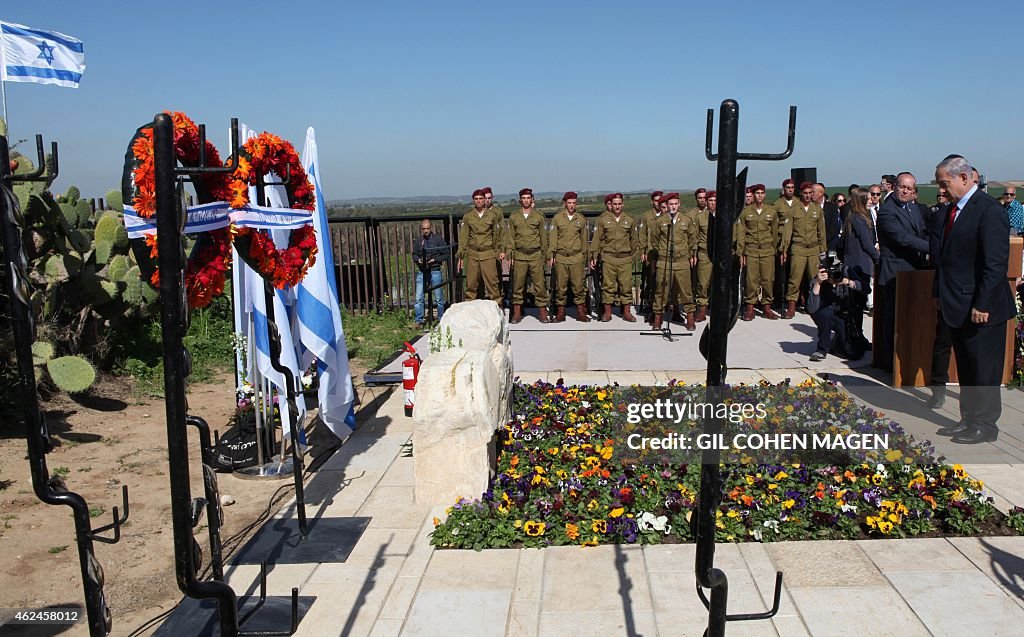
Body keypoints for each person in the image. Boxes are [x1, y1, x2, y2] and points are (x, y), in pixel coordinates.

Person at [933, 155, 1015, 444]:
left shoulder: (988, 211)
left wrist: (983, 303)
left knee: (984, 369)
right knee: (966, 367)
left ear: (964, 178)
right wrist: (939, 295)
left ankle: (985, 425)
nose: (940, 190)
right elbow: (944, 259)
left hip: (983, 307)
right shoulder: (950, 211)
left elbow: (995, 264)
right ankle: (967, 419)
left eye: (944, 183)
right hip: (956, 303)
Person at [874, 172, 930, 370]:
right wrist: (933, 248)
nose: (905, 191)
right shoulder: (887, 211)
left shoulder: (912, 208)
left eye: (909, 188)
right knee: (894, 318)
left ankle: (906, 359)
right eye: (902, 187)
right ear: (894, 186)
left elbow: (921, 231)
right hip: (895, 272)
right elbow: (904, 238)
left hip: (914, 270)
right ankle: (889, 362)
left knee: (909, 319)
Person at [807, 257, 870, 362]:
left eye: (836, 271)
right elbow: (811, 309)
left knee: (855, 354)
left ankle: (838, 343)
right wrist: (818, 283)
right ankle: (822, 349)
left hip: (844, 316)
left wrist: (847, 282)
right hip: (829, 315)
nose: (833, 275)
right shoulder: (818, 280)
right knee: (824, 314)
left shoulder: (846, 272)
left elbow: (867, 289)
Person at [779, 182, 827, 318]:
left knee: (814, 278)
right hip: (798, 248)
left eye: (810, 193)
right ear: (800, 193)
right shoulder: (793, 210)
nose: (807, 196)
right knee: (795, 278)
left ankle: (814, 304)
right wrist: (784, 249)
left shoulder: (817, 210)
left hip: (813, 249)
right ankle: (791, 306)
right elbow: (788, 231)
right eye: (805, 193)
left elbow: (821, 232)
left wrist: (823, 250)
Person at [650, 193, 698, 330]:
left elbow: (692, 239)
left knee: (686, 291)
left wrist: (690, 253)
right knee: (661, 291)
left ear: (679, 204)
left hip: (682, 261)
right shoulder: (660, 221)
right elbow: (654, 240)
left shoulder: (686, 220)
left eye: (676, 204)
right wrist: (662, 252)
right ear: (667, 205)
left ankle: (690, 318)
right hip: (664, 261)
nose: (673, 207)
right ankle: (658, 319)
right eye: (671, 204)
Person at [590, 193, 638, 322]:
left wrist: (630, 255)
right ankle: (607, 312)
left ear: (622, 204)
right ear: (611, 205)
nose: (617, 206)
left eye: (619, 204)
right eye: (614, 204)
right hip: (609, 257)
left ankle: (627, 312)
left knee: (626, 286)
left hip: (624, 258)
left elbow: (634, 240)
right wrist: (594, 255)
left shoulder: (630, 220)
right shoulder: (603, 220)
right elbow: (597, 239)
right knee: (608, 286)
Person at [735, 183, 780, 320]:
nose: (759, 195)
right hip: (751, 250)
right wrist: (740, 252)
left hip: (767, 250)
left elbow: (775, 233)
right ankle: (750, 308)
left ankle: (766, 306)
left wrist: (775, 249)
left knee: (767, 280)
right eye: (757, 193)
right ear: (753, 195)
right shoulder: (745, 212)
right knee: (751, 280)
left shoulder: (771, 212)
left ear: (765, 195)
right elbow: (741, 233)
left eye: (762, 193)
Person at [840, 187, 878, 340]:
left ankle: (857, 335)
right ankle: (856, 336)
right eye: (868, 198)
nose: (871, 200)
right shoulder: (859, 218)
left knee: (857, 303)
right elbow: (866, 243)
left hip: (855, 262)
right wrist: (878, 258)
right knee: (856, 303)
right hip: (859, 264)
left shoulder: (855, 217)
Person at [506, 188, 549, 323]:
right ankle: (517, 313)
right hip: (519, 255)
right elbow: (511, 238)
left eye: (528, 198)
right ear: (520, 200)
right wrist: (509, 255)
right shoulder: (514, 217)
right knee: (518, 285)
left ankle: (542, 313)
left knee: (539, 285)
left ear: (532, 200)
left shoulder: (538, 217)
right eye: (523, 198)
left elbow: (543, 238)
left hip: (535, 254)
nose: (526, 200)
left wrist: (545, 256)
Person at [457, 189, 506, 302]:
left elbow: (497, 234)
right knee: (471, 283)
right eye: (476, 199)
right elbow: (464, 237)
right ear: (473, 200)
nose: (478, 201)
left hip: (488, 252)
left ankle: (498, 305)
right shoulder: (468, 216)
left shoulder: (492, 215)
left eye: (481, 199)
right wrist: (461, 255)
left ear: (485, 200)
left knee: (492, 283)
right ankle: (470, 307)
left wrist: (499, 250)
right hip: (473, 253)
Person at [548, 191, 590, 322]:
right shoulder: (557, 218)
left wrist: (585, 256)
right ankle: (561, 312)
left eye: (574, 203)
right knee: (561, 286)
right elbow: (553, 238)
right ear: (564, 203)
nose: (571, 205)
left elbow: (584, 240)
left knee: (578, 286)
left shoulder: (581, 219)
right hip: (561, 256)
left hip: (576, 256)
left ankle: (580, 312)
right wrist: (551, 255)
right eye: (569, 203)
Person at [413, 220, 448, 325]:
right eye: (424, 229)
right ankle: (419, 320)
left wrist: (435, 260)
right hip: (422, 270)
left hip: (435, 270)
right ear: (421, 229)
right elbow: (414, 254)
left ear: (431, 227)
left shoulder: (438, 239)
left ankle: (441, 319)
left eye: (427, 228)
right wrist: (418, 260)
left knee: (438, 298)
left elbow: (446, 254)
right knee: (419, 297)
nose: (426, 231)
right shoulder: (419, 240)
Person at [638, 190, 664, 321]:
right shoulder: (647, 216)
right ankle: (650, 306)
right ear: (652, 202)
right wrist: (642, 251)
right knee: (651, 281)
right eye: (656, 200)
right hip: (650, 253)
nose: (658, 203)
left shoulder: (666, 215)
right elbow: (642, 235)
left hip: (664, 255)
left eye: (660, 200)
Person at [691, 189, 714, 321]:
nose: (712, 203)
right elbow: (695, 237)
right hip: (704, 253)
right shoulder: (700, 218)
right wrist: (694, 253)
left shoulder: (723, 216)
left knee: (719, 283)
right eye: (710, 200)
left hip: (719, 254)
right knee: (703, 283)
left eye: (715, 200)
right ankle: (702, 309)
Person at [814, 183, 843, 253]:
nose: (810, 194)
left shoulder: (832, 208)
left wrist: (823, 241)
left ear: (821, 193)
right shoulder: (809, 208)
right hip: (814, 246)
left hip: (829, 245)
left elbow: (834, 228)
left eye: (813, 192)